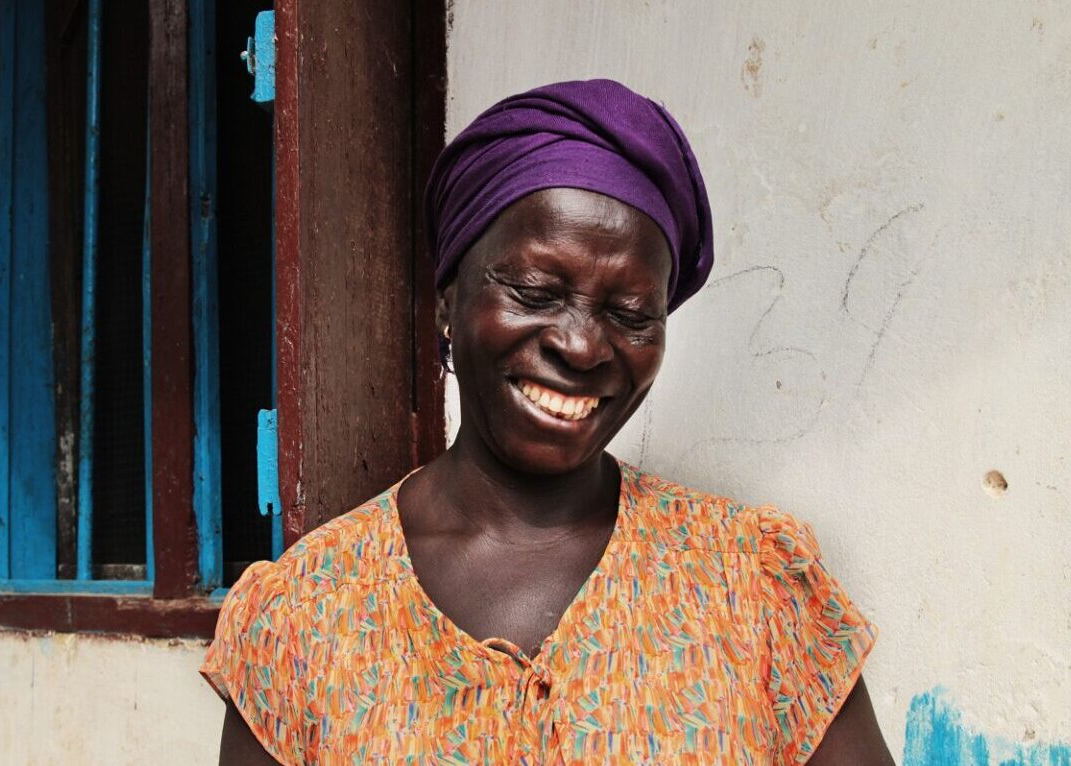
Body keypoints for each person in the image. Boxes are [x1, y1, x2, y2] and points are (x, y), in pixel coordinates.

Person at [201, 79, 893, 765]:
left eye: (630, 315)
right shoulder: (303, 620)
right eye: (535, 292)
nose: (583, 346)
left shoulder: (752, 587)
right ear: (447, 303)